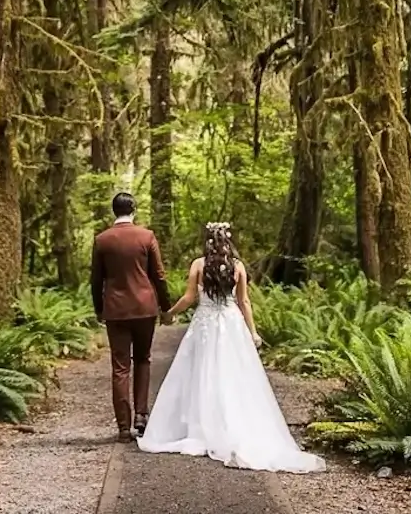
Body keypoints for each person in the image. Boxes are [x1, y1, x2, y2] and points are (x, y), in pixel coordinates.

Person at [138, 221, 327, 473]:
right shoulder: (238, 267)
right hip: (230, 324)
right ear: (228, 241)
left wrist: (170, 313)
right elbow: (244, 301)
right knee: (232, 374)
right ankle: (229, 424)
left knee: (200, 373)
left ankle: (202, 426)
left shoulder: (198, 264)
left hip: (205, 325)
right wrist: (253, 331)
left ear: (207, 241)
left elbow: (189, 297)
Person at [90, 191, 171, 442]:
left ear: (114, 211)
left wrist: (99, 309)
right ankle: (142, 416)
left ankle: (124, 427)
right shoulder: (146, 236)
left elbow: (96, 279)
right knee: (143, 359)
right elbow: (158, 274)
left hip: (115, 310)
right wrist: (166, 306)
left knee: (120, 367)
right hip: (145, 308)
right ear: (133, 209)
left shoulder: (102, 240)